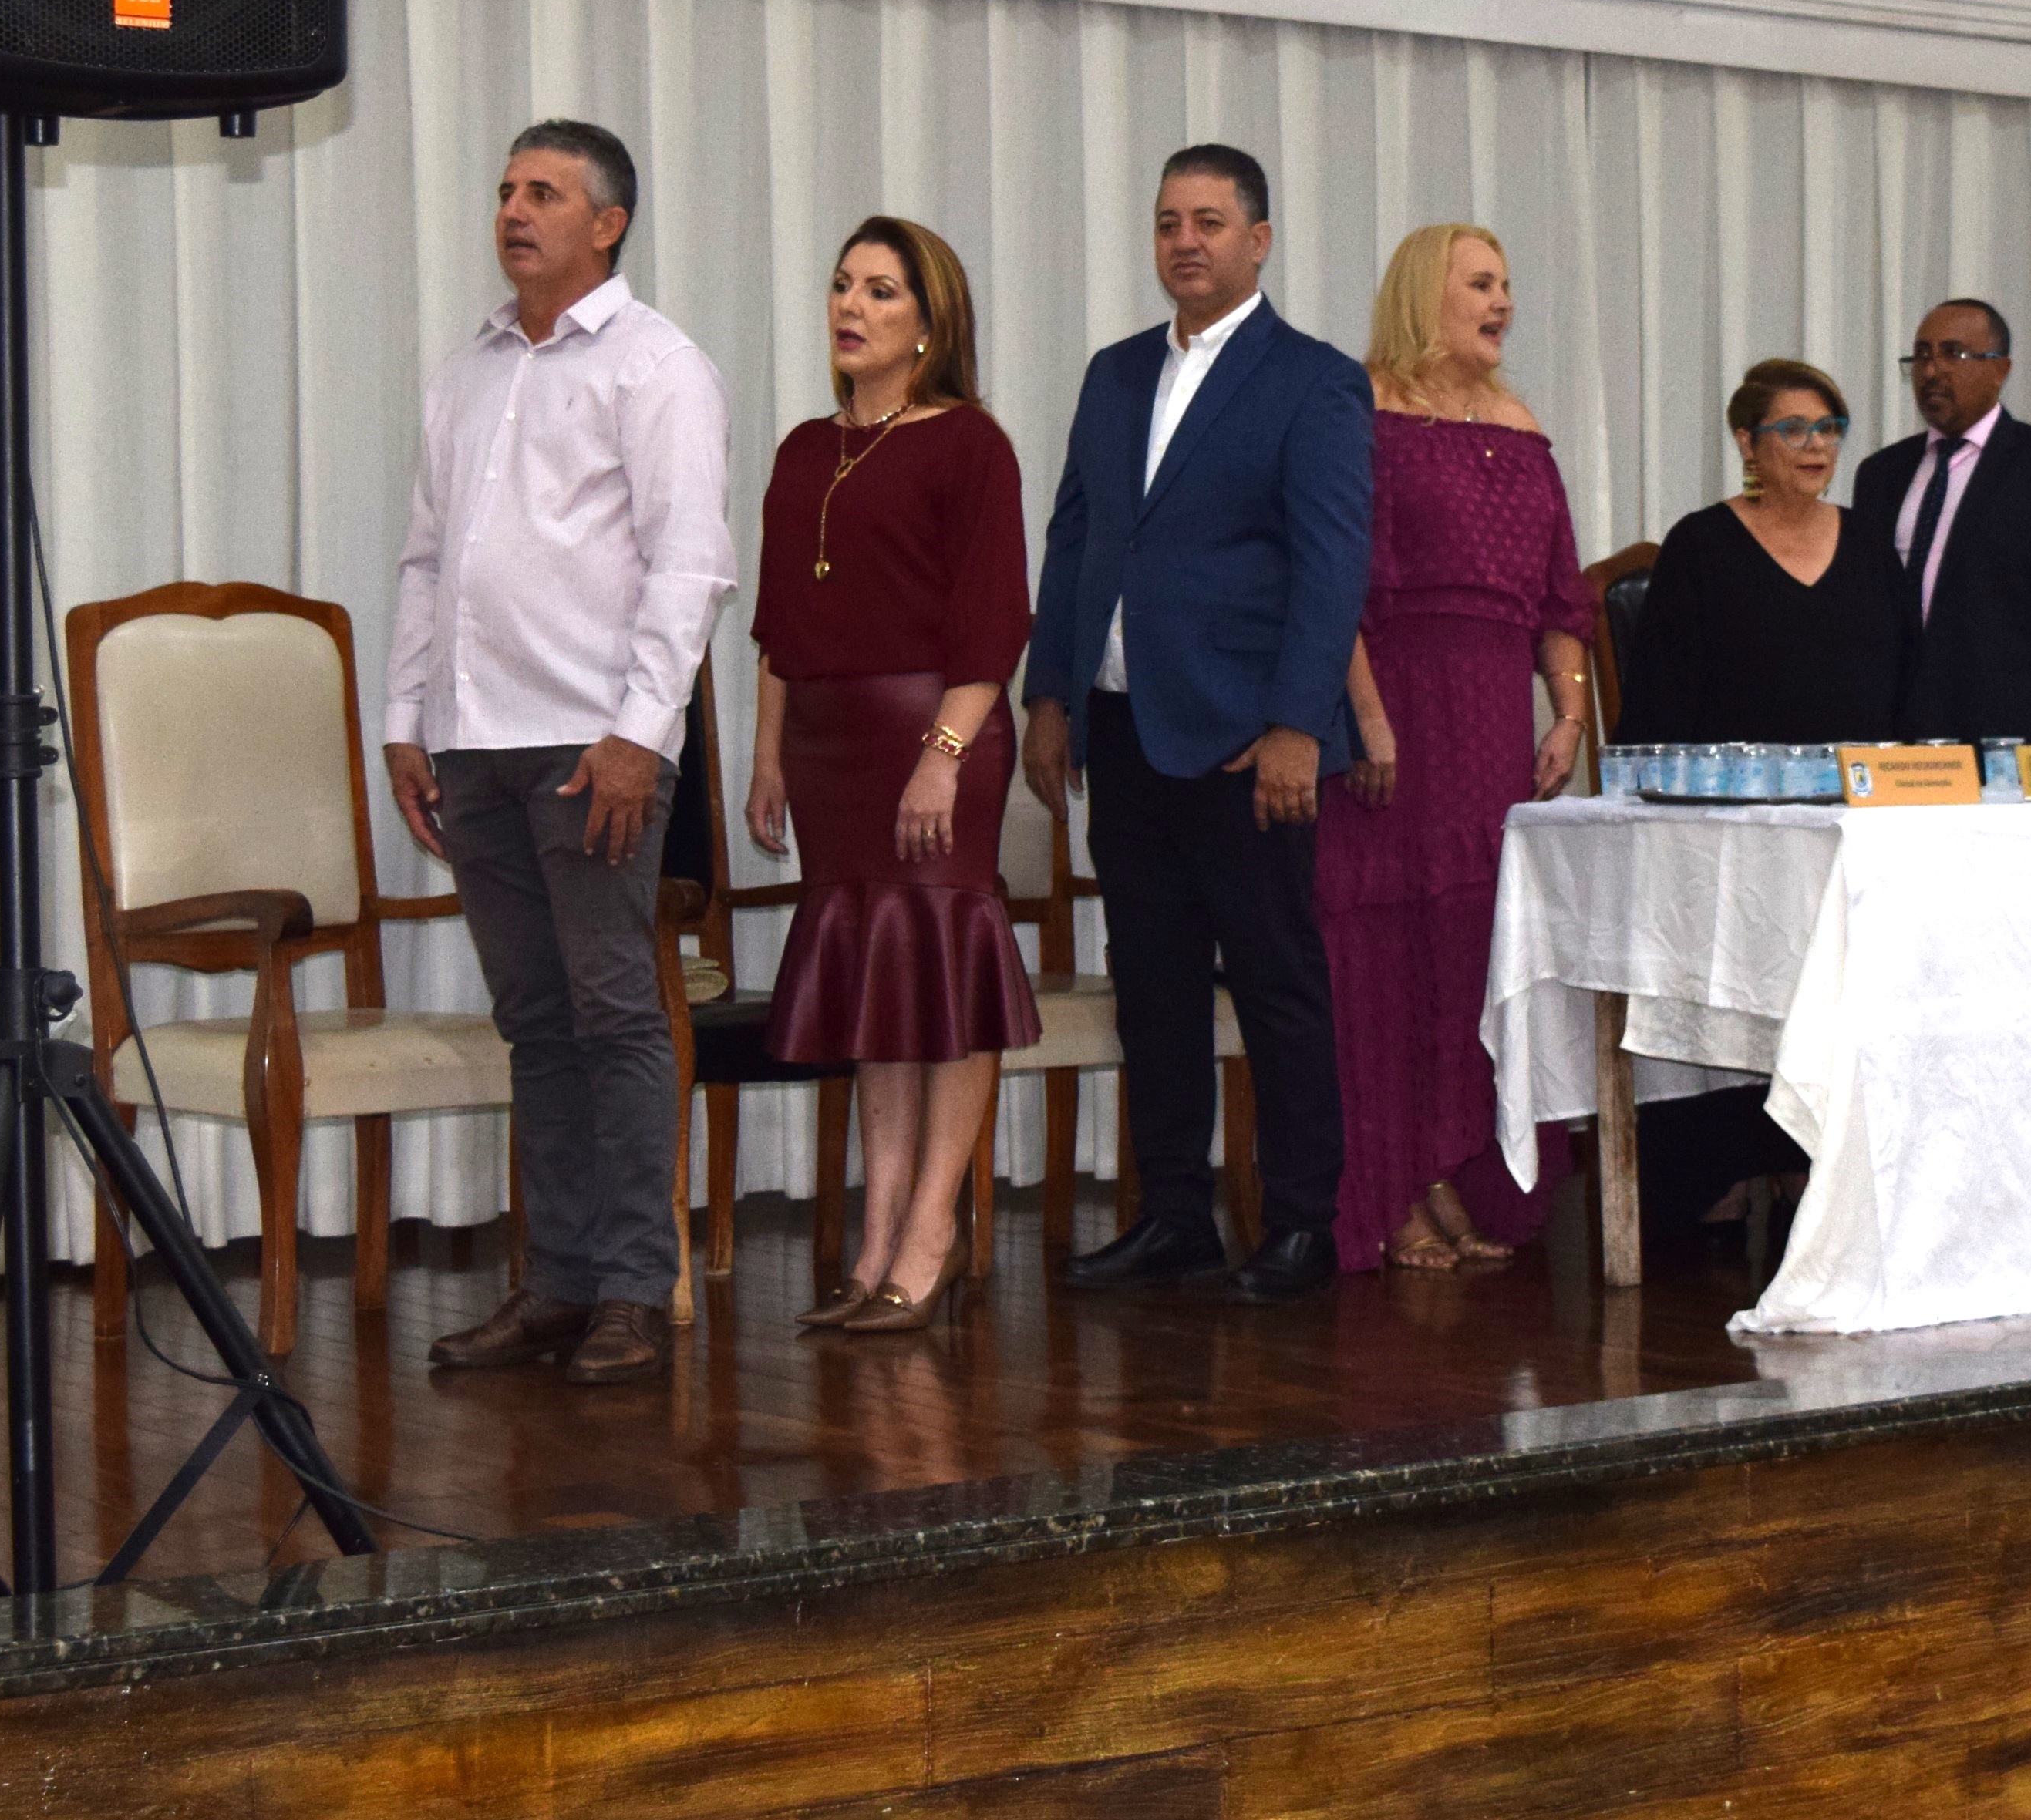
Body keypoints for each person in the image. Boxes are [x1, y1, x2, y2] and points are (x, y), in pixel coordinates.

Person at [390, 121, 734, 1388]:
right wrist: (405, 718)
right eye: (504, 190)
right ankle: (560, 1283)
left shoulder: (657, 365)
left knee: (614, 1014)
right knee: (535, 1021)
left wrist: (641, 733)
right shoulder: (467, 372)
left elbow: (690, 565)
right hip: (473, 740)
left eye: (543, 192)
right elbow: (428, 557)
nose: (513, 210)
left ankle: (634, 1288)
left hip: (593, 747)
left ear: (608, 222)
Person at [1021, 144, 1372, 1300]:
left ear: (1257, 241)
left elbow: (1332, 567)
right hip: (1123, 729)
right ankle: (1174, 1212)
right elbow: (1075, 536)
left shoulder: (1313, 380)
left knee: (1275, 981)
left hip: (1244, 741)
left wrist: (1297, 726)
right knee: (1153, 984)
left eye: (1209, 221)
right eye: (1169, 220)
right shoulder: (1115, 372)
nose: (1185, 241)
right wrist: (1049, 691)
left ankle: (1303, 1223)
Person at [743, 217, 1038, 1336]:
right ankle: (876, 1239)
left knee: (947, 974)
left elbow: (992, 626)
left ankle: (931, 1231)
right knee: (876, 985)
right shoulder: (801, 449)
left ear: (928, 323)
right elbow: (777, 627)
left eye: (880, 290)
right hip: (826, 752)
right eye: (841, 285)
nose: (850, 306)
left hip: (933, 739)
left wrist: (941, 760)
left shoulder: (970, 444)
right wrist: (767, 756)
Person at [1322, 224, 1598, 1273]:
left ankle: (1450, 1169)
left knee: (1472, 953)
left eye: (1507, 284)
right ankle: (1389, 1187)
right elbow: (1332, 583)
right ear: (1420, 295)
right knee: (1386, 955)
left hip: (1492, 726)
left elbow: (1561, 595)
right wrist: (1366, 718)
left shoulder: (1520, 424)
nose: (1501, 302)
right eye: (1480, 283)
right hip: (1393, 709)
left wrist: (1566, 712)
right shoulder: (1359, 410)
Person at [1847, 297, 2031, 745]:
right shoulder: (1881, 474)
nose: (1932, 371)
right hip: (1898, 740)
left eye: (1953, 354)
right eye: (1922, 355)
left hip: (2008, 742)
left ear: (2000, 369)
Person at [1616, 360, 1906, 748]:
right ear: (1747, 443)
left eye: (1828, 429)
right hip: (1734, 782)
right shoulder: (1699, 546)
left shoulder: (1868, 541)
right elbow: (1659, 700)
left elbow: (1906, 683)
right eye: (1794, 430)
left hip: (1859, 779)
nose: (1817, 445)